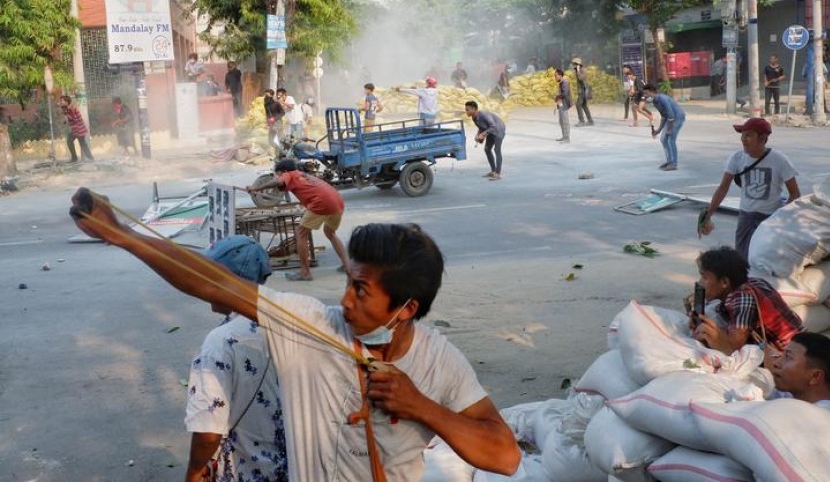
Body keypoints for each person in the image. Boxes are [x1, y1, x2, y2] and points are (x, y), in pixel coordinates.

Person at [68, 192, 521, 480]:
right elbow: (215, 282)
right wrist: (123, 235)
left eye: (361, 291)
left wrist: (419, 405)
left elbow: (506, 457)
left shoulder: (439, 360)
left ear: (406, 310)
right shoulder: (312, 327)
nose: (345, 301)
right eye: (348, 281)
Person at [185, 235, 288, 482]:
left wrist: (194, 472)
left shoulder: (220, 343)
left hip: (246, 472)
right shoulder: (290, 321)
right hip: (295, 466)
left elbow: (208, 432)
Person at [700, 117, 800, 259]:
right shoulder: (737, 158)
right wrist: (708, 214)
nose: (743, 139)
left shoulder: (780, 160)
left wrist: (780, 219)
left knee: (764, 259)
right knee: (742, 259)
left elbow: (795, 194)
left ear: (763, 138)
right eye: (742, 135)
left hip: (770, 218)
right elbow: (723, 188)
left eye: (748, 135)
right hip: (745, 217)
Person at [247, 159, 349, 282]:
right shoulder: (302, 174)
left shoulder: (289, 174)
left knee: (300, 233)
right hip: (337, 201)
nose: (278, 176)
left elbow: (278, 181)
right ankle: (347, 265)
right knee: (330, 233)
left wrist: (256, 188)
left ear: (284, 171)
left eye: (278, 173)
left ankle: (305, 272)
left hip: (321, 203)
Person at [690, 246, 803, 355]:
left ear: (724, 282)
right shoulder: (754, 282)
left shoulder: (743, 298)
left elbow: (732, 348)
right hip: (798, 344)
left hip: (787, 355)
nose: (700, 283)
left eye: (705, 277)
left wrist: (710, 333)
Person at [767, 332, 830, 436]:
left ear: (815, 376)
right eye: (780, 355)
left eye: (788, 357)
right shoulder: (787, 396)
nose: (776, 363)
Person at [644, 83, 685, 171]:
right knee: (663, 139)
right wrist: (658, 130)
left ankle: (674, 164)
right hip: (670, 118)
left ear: (652, 92)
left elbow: (671, 115)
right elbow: (664, 116)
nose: (645, 96)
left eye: (647, 93)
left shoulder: (662, 98)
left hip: (677, 117)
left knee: (671, 139)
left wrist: (670, 129)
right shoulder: (655, 102)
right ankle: (669, 161)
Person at [465, 101, 505, 181]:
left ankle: (498, 173)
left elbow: (493, 125)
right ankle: (493, 171)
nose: (466, 112)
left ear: (474, 109)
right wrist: (478, 135)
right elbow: (481, 127)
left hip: (498, 130)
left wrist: (483, 134)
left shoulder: (484, 115)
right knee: (487, 149)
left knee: (497, 150)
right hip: (490, 132)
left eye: (467, 109)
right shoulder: (474, 117)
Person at [59, 95, 94, 163]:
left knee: (72, 141)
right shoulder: (67, 109)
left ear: (67, 102)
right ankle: (90, 158)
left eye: (61, 101)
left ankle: (76, 158)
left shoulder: (71, 108)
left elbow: (74, 119)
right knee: (82, 144)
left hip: (78, 129)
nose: (60, 102)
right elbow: (68, 120)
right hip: (77, 129)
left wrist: (67, 117)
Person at [571, 57, 594, 127]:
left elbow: (581, 78)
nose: (573, 65)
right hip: (581, 91)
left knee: (578, 105)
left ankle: (582, 121)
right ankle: (590, 121)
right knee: (584, 106)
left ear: (578, 64)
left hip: (583, 91)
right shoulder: (578, 70)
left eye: (574, 64)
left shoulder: (582, 70)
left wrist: (578, 71)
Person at [263, 89, 285, 155]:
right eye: (265, 95)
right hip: (272, 125)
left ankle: (282, 153)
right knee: (270, 141)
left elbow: (282, 113)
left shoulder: (276, 103)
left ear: (271, 95)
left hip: (278, 123)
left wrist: (274, 118)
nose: (266, 96)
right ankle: (278, 149)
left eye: (267, 95)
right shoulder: (266, 104)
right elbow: (267, 114)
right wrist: (267, 122)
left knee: (280, 139)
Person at [553, 68, 572, 143]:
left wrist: (557, 97)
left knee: (565, 121)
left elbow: (564, 94)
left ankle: (567, 138)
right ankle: (564, 136)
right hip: (561, 104)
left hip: (564, 104)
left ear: (560, 75)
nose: (555, 77)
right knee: (561, 121)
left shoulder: (565, 82)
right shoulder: (561, 82)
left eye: (556, 76)